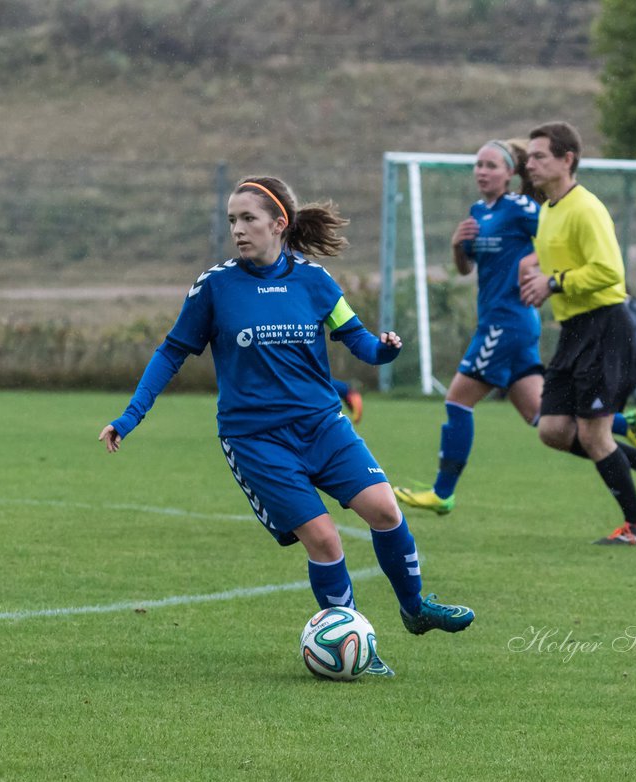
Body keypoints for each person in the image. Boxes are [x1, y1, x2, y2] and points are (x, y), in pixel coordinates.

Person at [99, 176, 475, 678]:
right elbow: (172, 352)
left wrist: (384, 351)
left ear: (280, 224)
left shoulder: (315, 281)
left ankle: (415, 608)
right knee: (324, 540)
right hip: (255, 440)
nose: (237, 229)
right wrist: (130, 415)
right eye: (232, 219)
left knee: (384, 509)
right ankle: (355, 643)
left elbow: (358, 340)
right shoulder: (215, 286)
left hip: (323, 426)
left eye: (248, 218)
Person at [393, 138, 636, 517]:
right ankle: (625, 426)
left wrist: (534, 267)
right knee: (543, 418)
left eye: (491, 166)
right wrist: (456, 247)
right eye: (478, 165)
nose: (482, 172)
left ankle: (442, 492)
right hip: (499, 322)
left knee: (457, 399)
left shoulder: (520, 208)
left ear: (510, 174)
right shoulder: (477, 213)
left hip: (508, 321)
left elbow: (552, 239)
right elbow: (467, 269)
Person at [516, 121, 636, 546]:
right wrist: (537, 275)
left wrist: (553, 282)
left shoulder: (585, 208)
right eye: (529, 156)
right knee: (552, 429)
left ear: (567, 160)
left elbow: (610, 271)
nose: (529, 163)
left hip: (604, 327)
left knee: (593, 434)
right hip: (573, 330)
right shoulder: (549, 210)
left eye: (539, 156)